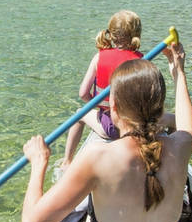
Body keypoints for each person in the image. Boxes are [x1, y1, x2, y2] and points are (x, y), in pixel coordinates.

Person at [22, 40, 192, 222]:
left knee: (93, 208)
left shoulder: (96, 158)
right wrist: (178, 71)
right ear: (161, 109)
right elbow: (186, 121)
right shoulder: (181, 146)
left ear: (113, 109)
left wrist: (38, 164)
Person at [59, 9, 144, 173]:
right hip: (137, 127)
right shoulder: (141, 61)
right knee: (172, 119)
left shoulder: (99, 57)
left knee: (79, 114)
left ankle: (67, 162)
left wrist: (100, 106)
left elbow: (83, 93)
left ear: (111, 34)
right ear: (137, 34)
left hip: (112, 127)